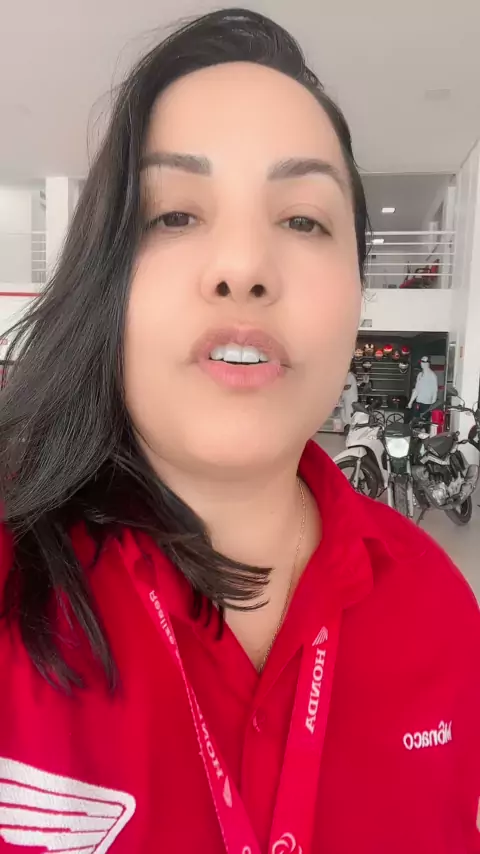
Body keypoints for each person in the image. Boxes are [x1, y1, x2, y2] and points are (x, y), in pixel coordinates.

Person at [0, 10, 478, 854]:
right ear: (106, 280)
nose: (244, 268)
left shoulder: (439, 610)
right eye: (174, 215)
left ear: (358, 294)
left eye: (304, 220)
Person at [341, 361, 358, 427]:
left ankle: (349, 426)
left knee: (348, 411)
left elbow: (347, 386)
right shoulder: (349, 375)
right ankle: (348, 425)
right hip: (349, 397)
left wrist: (339, 388)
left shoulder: (349, 375)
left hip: (349, 398)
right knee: (347, 411)